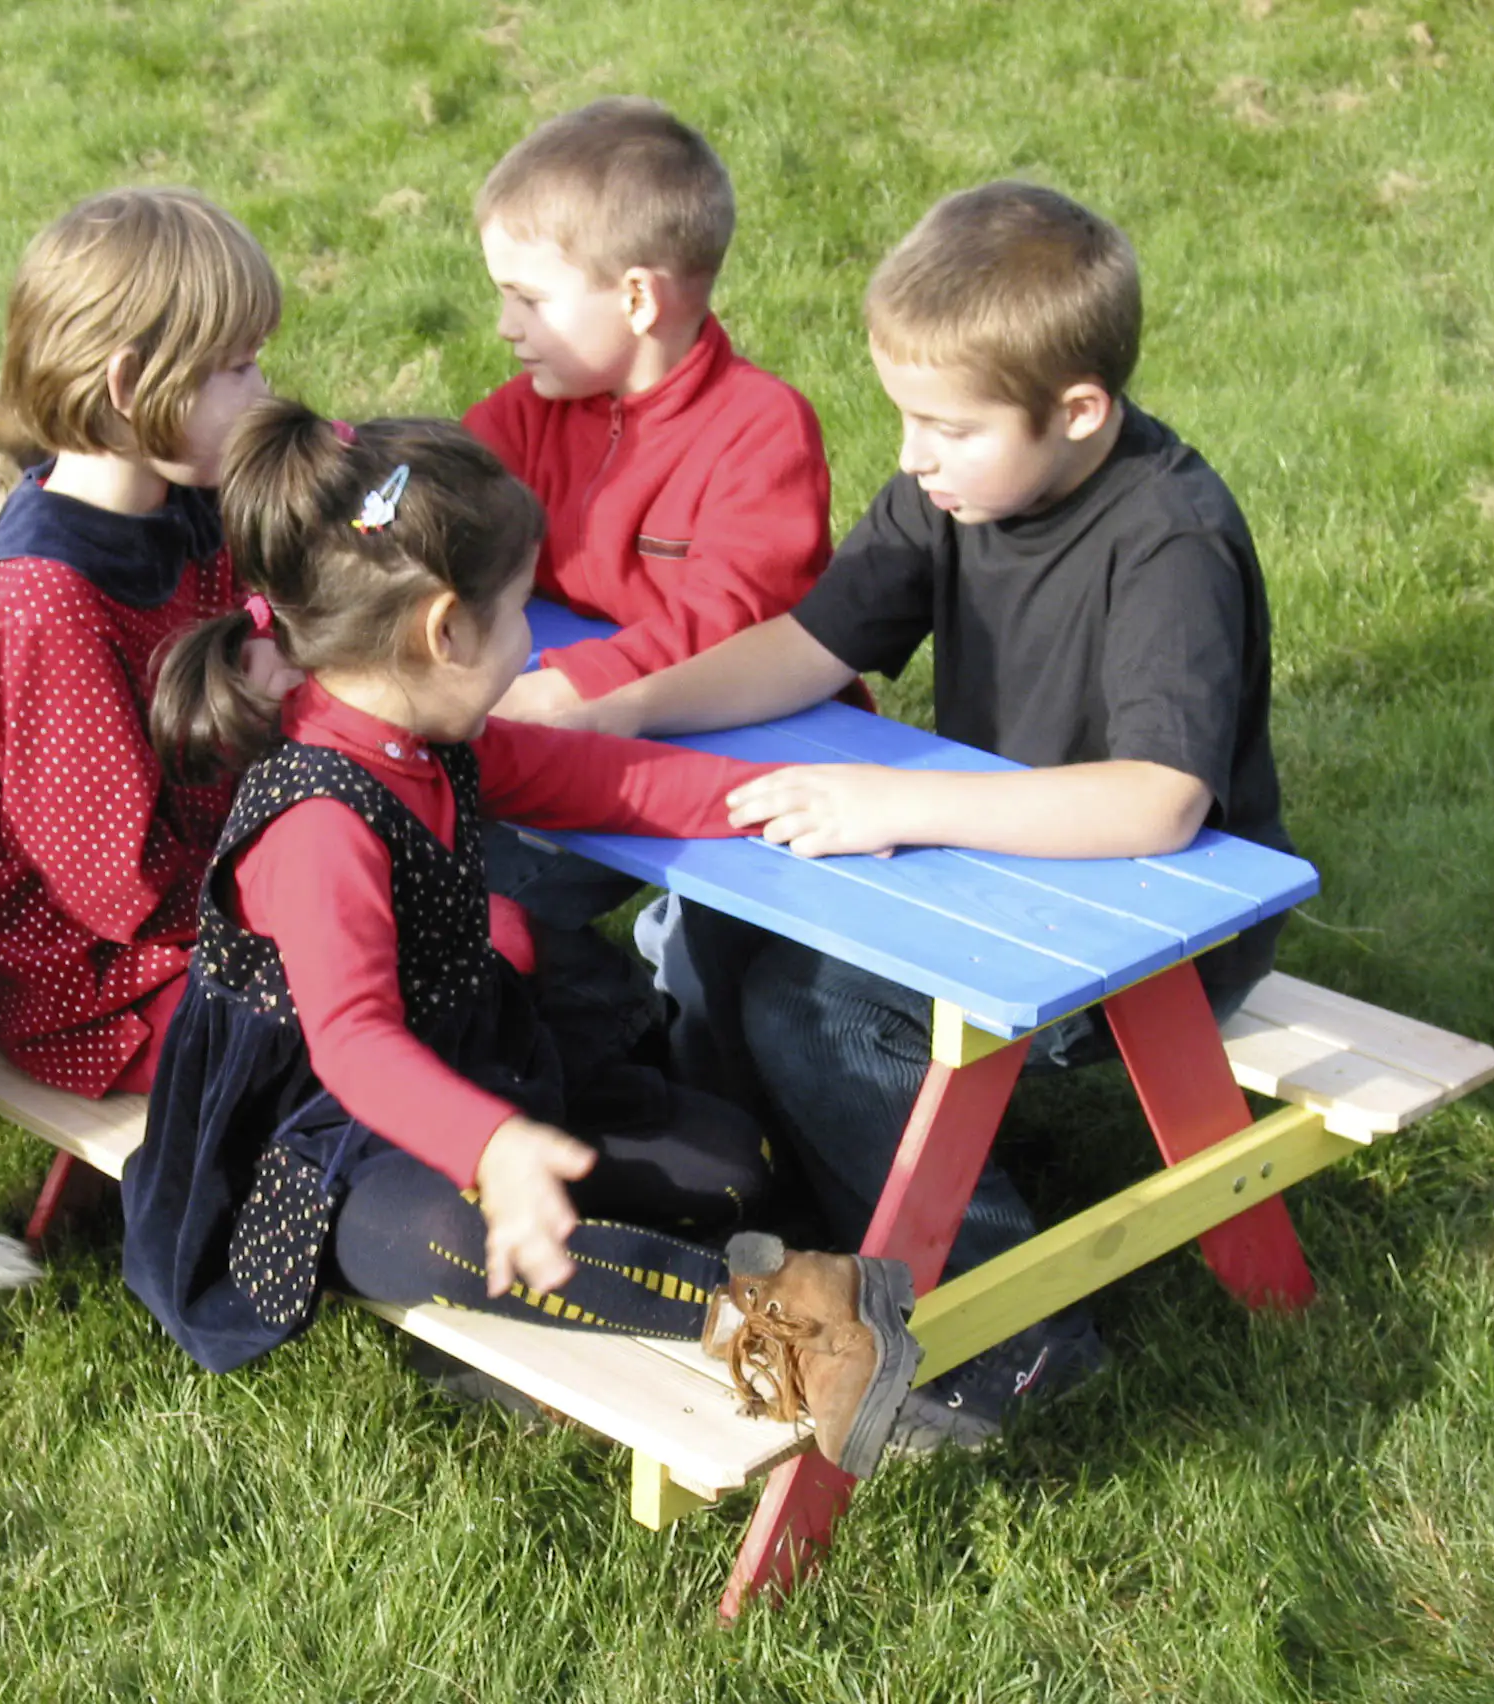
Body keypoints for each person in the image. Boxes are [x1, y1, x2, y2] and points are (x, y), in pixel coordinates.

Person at [526, 181, 1296, 1450]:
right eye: (902, 417)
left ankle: (1014, 1337)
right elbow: (809, 646)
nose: (911, 456)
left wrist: (897, 800)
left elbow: (1159, 802)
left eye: (944, 426)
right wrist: (627, 707)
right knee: (723, 928)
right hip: (985, 866)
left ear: (1078, 411)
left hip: (1153, 929)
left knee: (812, 1005)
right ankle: (778, 1220)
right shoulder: (955, 487)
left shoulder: (1168, 538)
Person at [121, 401, 921, 1481]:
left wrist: (775, 796)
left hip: (474, 1064)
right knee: (430, 1239)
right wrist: (490, 1146)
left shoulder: (422, 732)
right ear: (445, 631)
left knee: (732, 1166)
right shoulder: (318, 822)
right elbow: (352, 1044)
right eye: (517, 616)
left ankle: (719, 1263)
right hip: (317, 1137)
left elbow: (601, 780)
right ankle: (778, 1321)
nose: (532, 646)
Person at [461, 97, 842, 1001]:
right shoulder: (527, 414)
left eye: (528, 299)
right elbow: (442, 512)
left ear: (636, 298)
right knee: (458, 878)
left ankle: (657, 1018)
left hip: (738, 746)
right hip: (557, 719)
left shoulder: (760, 429)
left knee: (723, 983)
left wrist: (580, 686)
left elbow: (729, 620)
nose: (506, 324)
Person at [0, 187, 289, 1101]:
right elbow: (122, 888)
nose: (263, 392)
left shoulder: (182, 494)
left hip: (224, 889)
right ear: (131, 387)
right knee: (387, 992)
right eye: (238, 368)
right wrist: (312, 886)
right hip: (110, 991)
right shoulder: (48, 609)